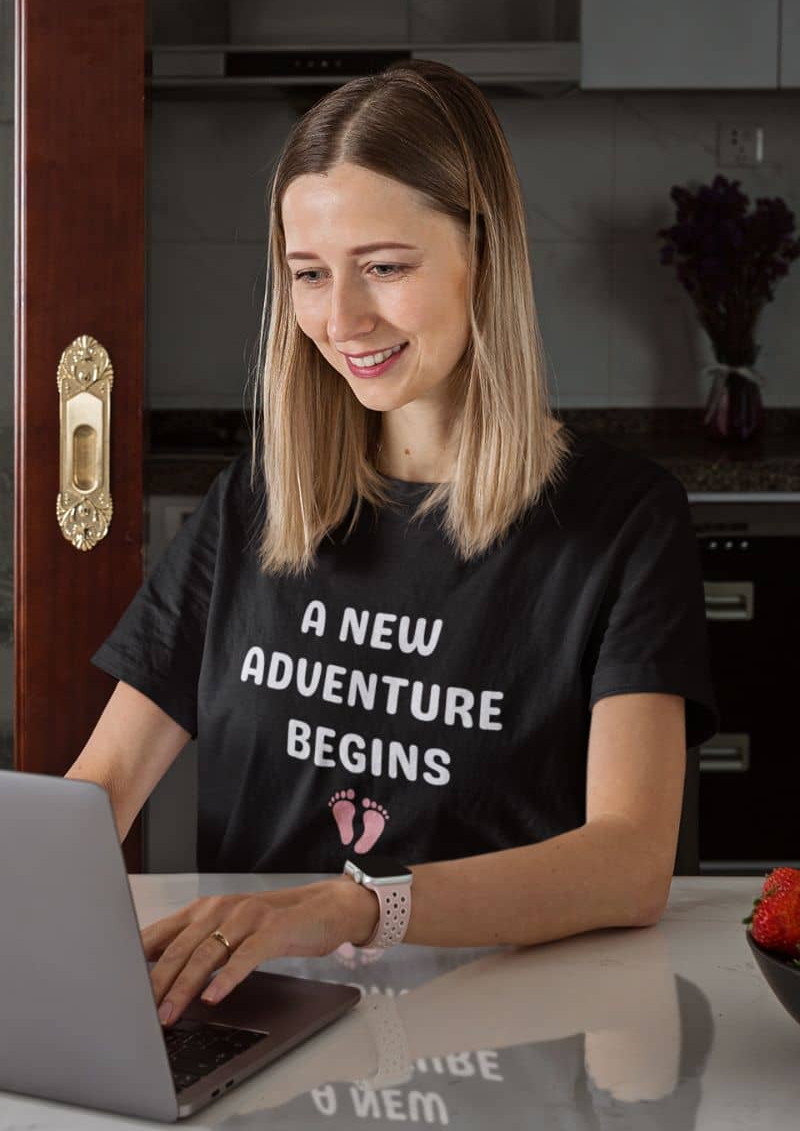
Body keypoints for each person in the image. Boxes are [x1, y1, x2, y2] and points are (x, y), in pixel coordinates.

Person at [65, 60, 719, 1029]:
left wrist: (355, 903)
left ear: (482, 257)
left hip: (501, 1033)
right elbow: (95, 795)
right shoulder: (249, 506)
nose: (341, 320)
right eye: (308, 275)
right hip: (257, 1028)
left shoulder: (620, 521)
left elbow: (628, 862)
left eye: (384, 266)